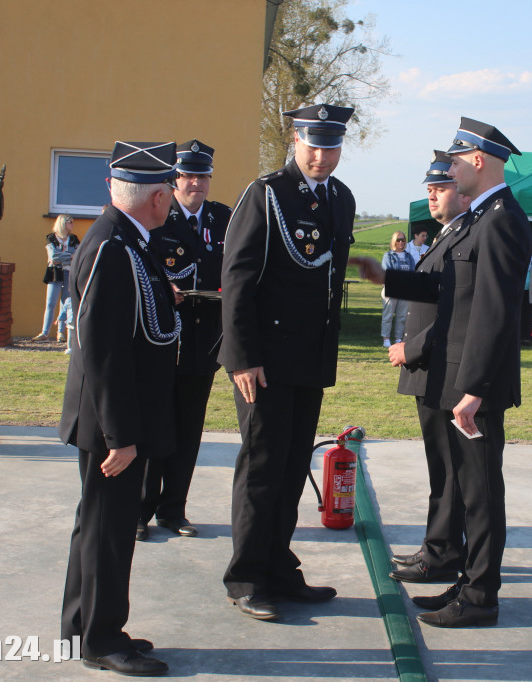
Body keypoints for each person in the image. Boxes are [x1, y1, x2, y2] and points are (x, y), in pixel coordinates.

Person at [352, 116, 532, 628]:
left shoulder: (501, 220)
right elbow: (450, 294)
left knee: (480, 493)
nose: (448, 172)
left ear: (478, 161)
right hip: (455, 378)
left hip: (475, 385)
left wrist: (474, 388)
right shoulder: (479, 219)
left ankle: (480, 598)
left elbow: (496, 315)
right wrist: (389, 277)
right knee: (466, 489)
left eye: (453, 162)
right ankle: (467, 582)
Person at [218, 103, 355, 622]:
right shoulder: (267, 193)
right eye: (312, 144)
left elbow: (328, 284)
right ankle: (247, 576)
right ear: (294, 140)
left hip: (308, 360)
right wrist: (243, 358)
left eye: (331, 145)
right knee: (262, 468)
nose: (322, 156)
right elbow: (238, 281)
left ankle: (279, 567)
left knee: (294, 467)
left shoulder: (341, 199)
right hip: (265, 362)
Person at [59, 141, 180, 677]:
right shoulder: (113, 246)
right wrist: (120, 434)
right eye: (170, 192)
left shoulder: (127, 239)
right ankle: (100, 639)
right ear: (157, 197)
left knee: (98, 525)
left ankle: (84, 628)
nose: (173, 201)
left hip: (119, 419)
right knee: (107, 531)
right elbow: (101, 349)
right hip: (114, 425)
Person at [385, 150, 471, 587]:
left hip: (441, 369)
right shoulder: (446, 234)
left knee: (448, 468)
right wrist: (381, 278)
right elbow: (431, 288)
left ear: (462, 188)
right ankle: (437, 547)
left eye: (440, 188)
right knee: (441, 467)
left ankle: (441, 554)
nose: (433, 197)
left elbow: (457, 311)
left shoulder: (463, 235)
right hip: (430, 371)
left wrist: (411, 349)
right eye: (430, 190)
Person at [138, 140, 230, 542]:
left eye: (202, 175)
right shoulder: (160, 215)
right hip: (163, 337)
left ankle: (174, 509)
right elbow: (143, 269)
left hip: (204, 338)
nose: (196, 182)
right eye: (188, 175)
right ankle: (140, 509)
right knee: (155, 422)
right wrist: (164, 288)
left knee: (189, 428)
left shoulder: (224, 218)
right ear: (173, 180)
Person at [34, 214, 79, 342]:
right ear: (63, 223)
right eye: (70, 222)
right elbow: (53, 257)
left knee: (66, 303)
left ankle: (61, 333)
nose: (72, 224)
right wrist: (69, 256)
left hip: (69, 273)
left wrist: (63, 256)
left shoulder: (74, 239)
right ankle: (45, 333)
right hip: (54, 274)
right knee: (50, 303)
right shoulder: (51, 238)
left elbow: (78, 255)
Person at [380, 230, 416, 347]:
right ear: (394, 242)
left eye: (403, 240)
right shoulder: (388, 256)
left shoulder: (409, 256)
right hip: (391, 289)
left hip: (405, 290)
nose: (401, 242)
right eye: (398, 240)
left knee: (402, 316)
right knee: (388, 315)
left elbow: (412, 273)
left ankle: (398, 338)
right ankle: (386, 338)